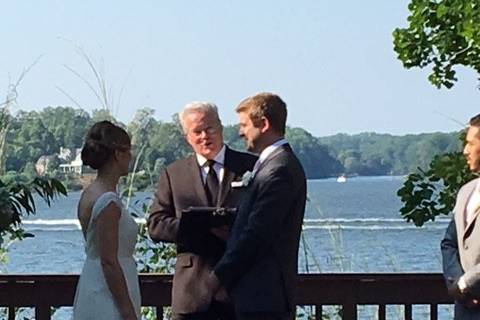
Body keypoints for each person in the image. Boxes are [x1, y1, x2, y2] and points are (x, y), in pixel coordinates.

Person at [147, 102, 257, 320]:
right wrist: (195, 228)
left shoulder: (250, 166)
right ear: (187, 136)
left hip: (240, 290)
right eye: (197, 132)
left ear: (221, 127)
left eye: (210, 129)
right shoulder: (174, 174)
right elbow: (156, 224)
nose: (205, 136)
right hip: (193, 292)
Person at [207, 92, 307, 320]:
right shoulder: (272, 165)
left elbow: (258, 234)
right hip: (258, 296)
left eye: (244, 125)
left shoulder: (278, 170)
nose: (240, 132)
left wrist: (218, 276)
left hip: (264, 297)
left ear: (264, 124)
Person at [73, 121, 140, 320]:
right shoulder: (108, 202)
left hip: (92, 282)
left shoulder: (90, 193)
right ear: (118, 154)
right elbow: (109, 261)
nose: (130, 156)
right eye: (128, 151)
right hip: (109, 294)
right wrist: (127, 311)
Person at [441, 113, 480, 319]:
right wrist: (456, 283)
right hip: (465, 310)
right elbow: (450, 242)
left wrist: (467, 283)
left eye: (470, 144)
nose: (465, 151)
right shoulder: (466, 191)